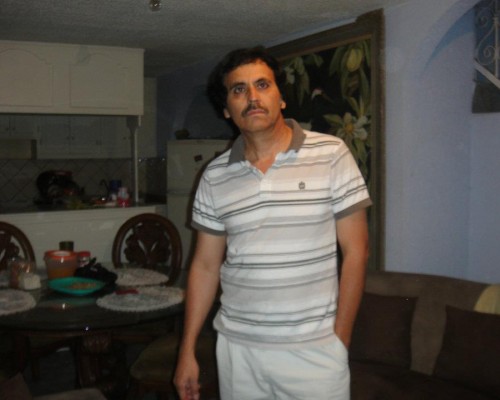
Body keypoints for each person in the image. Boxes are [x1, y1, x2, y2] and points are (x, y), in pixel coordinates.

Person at [174, 46, 371, 400]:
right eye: (239, 89)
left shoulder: (331, 154)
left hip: (315, 353)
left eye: (262, 85)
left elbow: (357, 252)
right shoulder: (214, 176)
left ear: (280, 98)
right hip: (238, 351)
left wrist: (339, 341)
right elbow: (205, 266)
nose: (252, 97)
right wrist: (186, 349)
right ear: (226, 109)